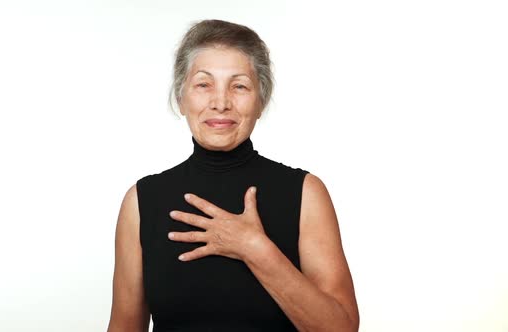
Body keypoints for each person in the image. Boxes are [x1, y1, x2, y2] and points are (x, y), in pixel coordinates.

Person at [107, 19, 359, 332]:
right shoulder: (142, 201)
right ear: (181, 98)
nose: (221, 103)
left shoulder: (306, 193)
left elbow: (342, 328)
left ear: (261, 101)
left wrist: (255, 248)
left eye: (239, 86)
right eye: (203, 84)